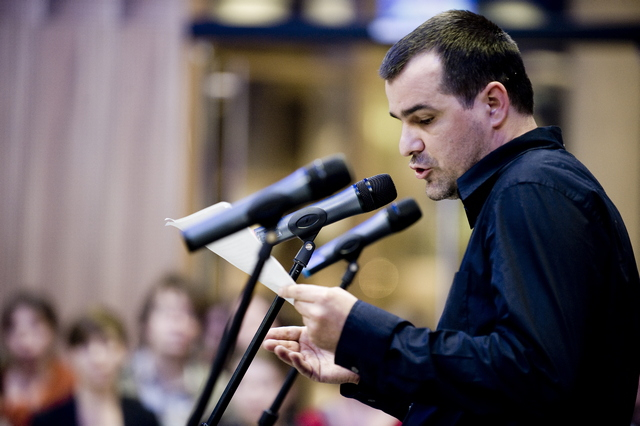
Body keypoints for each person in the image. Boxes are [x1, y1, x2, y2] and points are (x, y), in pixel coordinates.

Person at [263, 9, 640, 425]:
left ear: (493, 104)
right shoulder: (527, 187)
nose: (406, 145)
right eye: (402, 123)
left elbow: (534, 375)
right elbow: (495, 393)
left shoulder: (531, 188)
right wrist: (368, 369)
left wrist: (366, 334)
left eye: (425, 119)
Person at [32, 307, 159, 426]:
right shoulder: (47, 421)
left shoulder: (144, 418)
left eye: (106, 345)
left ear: (124, 351)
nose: (98, 359)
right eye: (85, 347)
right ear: (69, 355)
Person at [121, 273, 207, 426]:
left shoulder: (214, 386)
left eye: (188, 312)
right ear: (145, 324)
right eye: (166, 311)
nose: (177, 321)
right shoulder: (120, 379)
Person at [0, 292, 74, 426]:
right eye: (13, 327)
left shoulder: (69, 382)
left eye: (34, 325)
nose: (23, 336)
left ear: (52, 330)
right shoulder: (2, 377)